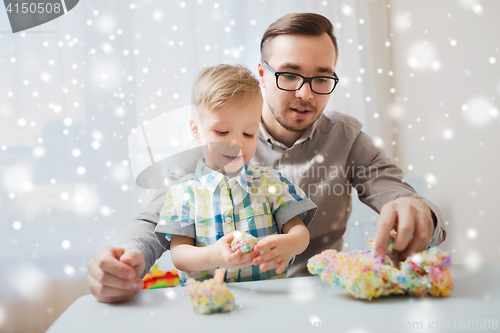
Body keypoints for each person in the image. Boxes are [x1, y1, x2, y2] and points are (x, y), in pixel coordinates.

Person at [87, 13, 447, 303]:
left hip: (317, 301)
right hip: (227, 300)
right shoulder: (212, 137)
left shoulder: (347, 138)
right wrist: (123, 259)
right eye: (290, 74)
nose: (305, 94)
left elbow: (399, 195)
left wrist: (419, 212)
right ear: (262, 74)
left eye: (321, 79)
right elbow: (155, 222)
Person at [156, 64, 316, 282]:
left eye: (248, 134)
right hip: (209, 299)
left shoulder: (271, 182)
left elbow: (300, 233)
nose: (237, 143)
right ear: (197, 131)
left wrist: (289, 244)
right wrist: (213, 255)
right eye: (222, 132)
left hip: (268, 300)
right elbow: (180, 255)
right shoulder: (183, 193)